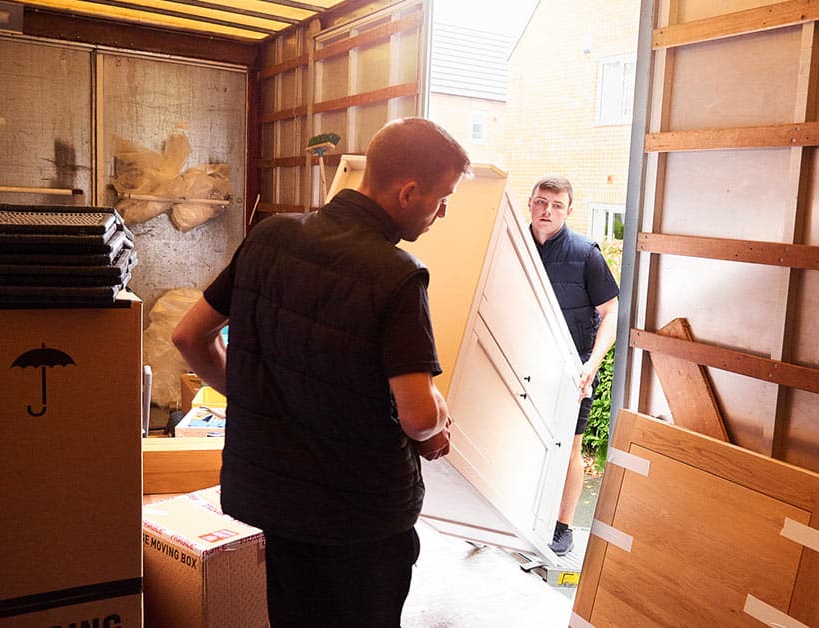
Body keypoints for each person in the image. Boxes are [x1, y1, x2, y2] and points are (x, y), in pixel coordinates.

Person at [172, 117, 472, 627]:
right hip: (360, 519)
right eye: (442, 198)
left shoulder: (269, 236)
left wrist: (248, 394)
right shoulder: (396, 275)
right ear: (408, 192)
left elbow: (188, 336)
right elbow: (419, 416)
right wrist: (437, 422)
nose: (442, 212)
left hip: (273, 503)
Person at [527, 175, 620, 557]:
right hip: (525, 362)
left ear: (569, 209)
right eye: (541, 202)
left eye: (557, 205)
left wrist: (591, 365)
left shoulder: (586, 253)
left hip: (573, 370)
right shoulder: (516, 246)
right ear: (530, 202)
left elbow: (611, 312)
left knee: (570, 449)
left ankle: (562, 527)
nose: (547, 211)